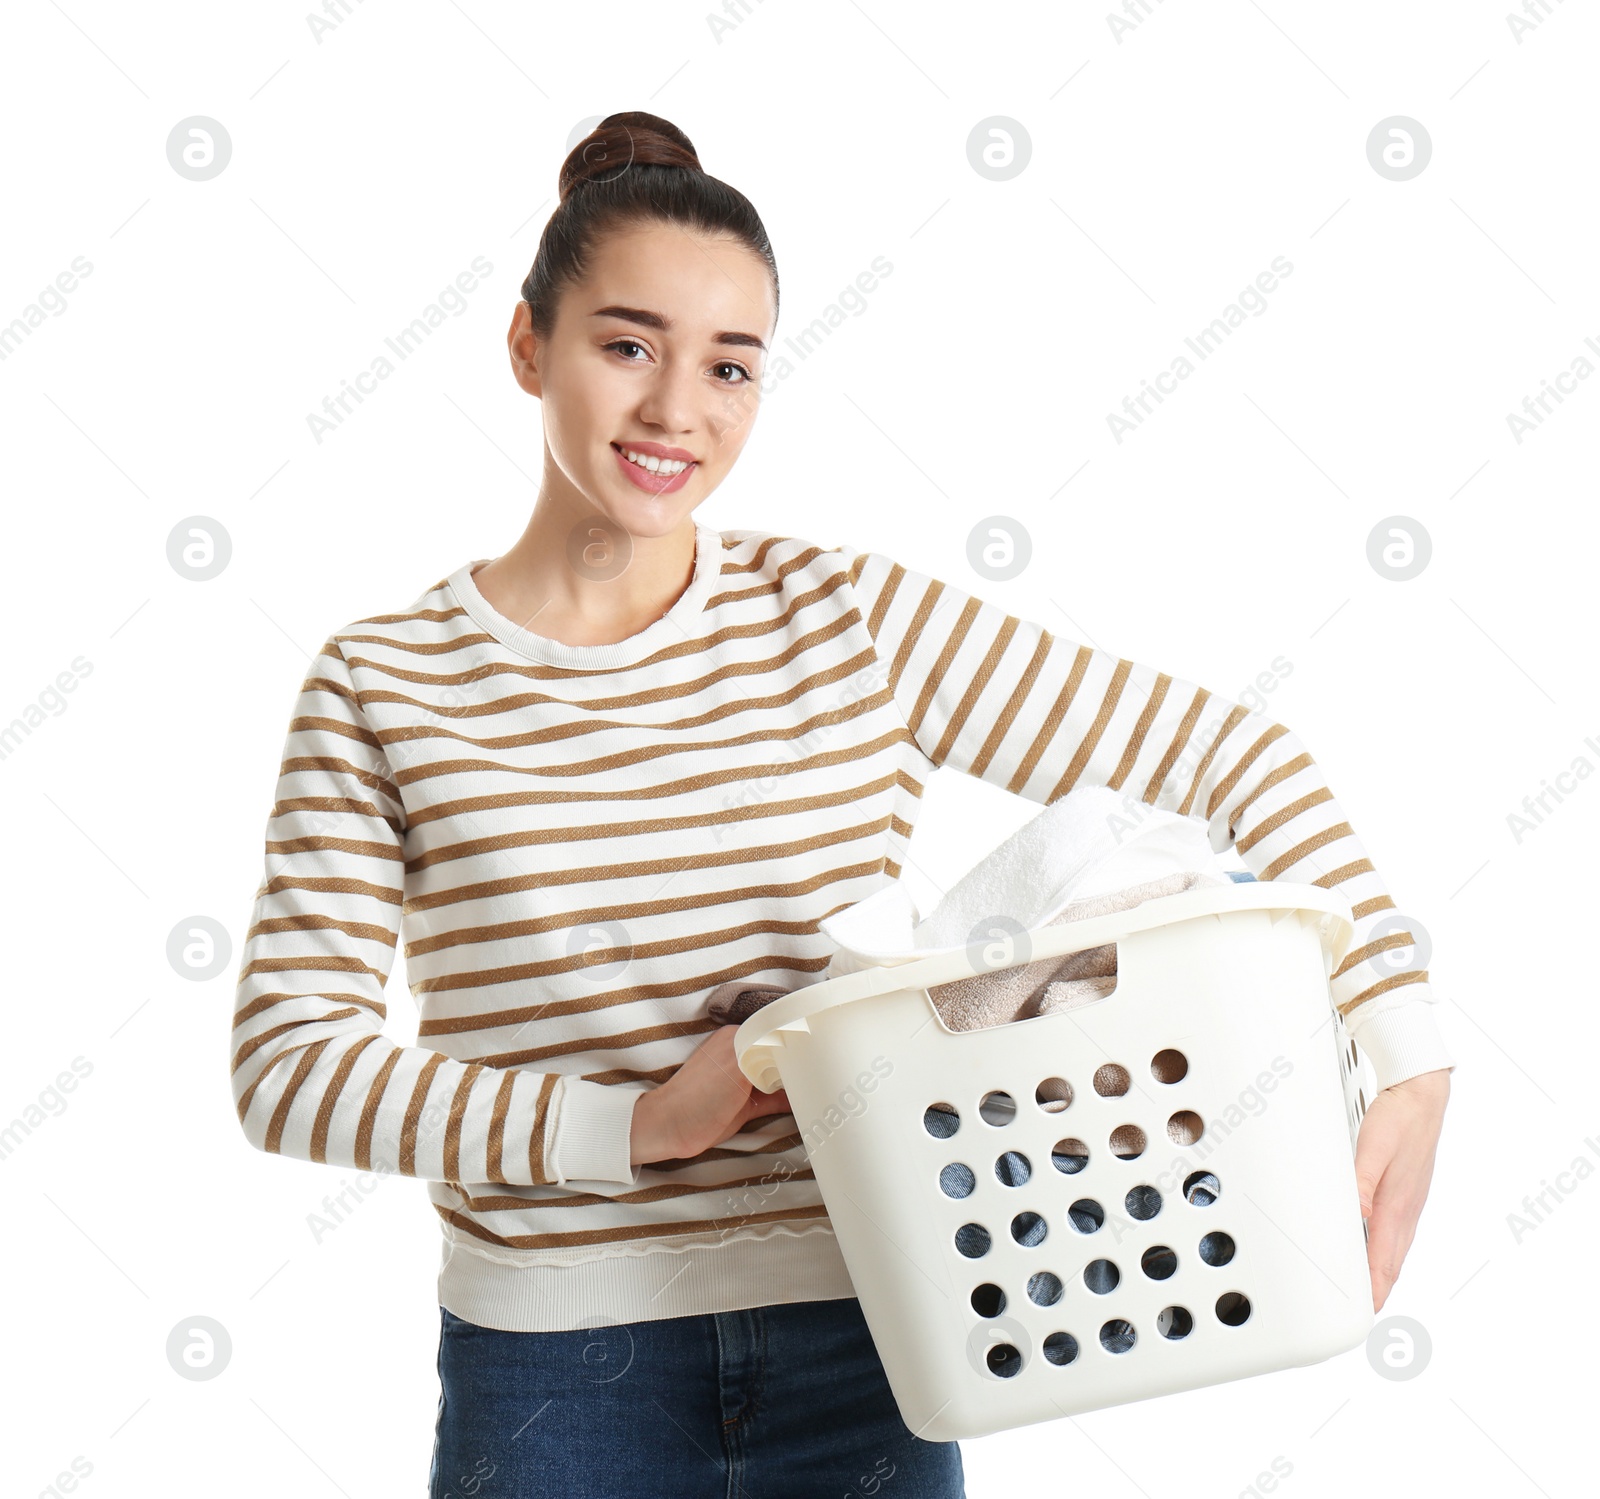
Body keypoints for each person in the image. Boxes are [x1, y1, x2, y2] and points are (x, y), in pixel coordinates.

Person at [229, 110, 1453, 1499]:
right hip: (559, 1378)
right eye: (626, 345)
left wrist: (1402, 1038)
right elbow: (289, 1066)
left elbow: (1236, 759)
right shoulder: (384, 683)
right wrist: (635, 1126)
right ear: (528, 345)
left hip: (881, 1333)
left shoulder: (844, 619)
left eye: (730, 367)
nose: (676, 412)